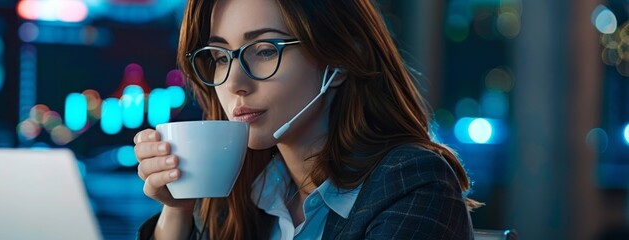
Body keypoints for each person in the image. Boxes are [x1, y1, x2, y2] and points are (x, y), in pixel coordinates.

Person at [133, 0, 481, 239]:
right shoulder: (239, 197)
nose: (235, 84)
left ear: (342, 59)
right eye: (220, 57)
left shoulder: (413, 183)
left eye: (266, 50)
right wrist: (178, 209)